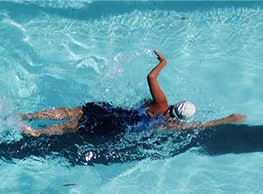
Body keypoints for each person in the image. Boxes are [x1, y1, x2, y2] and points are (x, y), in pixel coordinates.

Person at [20, 50, 246, 137]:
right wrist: (228, 119)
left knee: (75, 112)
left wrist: (163, 62)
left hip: (117, 113)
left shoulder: (161, 103)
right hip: (119, 128)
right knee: (75, 126)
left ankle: (28, 116)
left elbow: (151, 77)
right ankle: (38, 133)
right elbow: (201, 126)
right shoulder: (170, 125)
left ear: (177, 104)